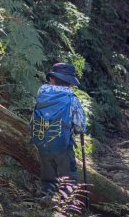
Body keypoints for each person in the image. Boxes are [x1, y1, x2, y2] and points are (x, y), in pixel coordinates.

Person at [30, 63, 87, 196]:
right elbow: (80, 125)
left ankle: (46, 199)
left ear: (52, 79)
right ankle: (67, 206)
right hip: (64, 144)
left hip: (42, 140)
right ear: (70, 83)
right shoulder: (72, 99)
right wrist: (80, 130)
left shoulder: (41, 93)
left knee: (47, 177)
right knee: (68, 178)